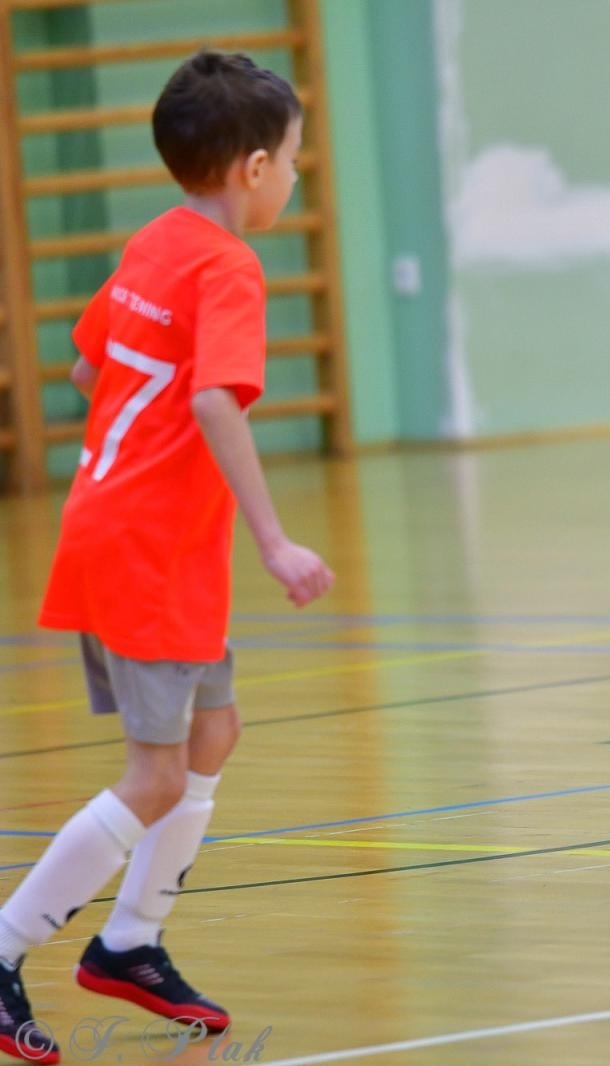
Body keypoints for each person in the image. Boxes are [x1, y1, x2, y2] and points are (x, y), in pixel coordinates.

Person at [0, 51, 334, 1065]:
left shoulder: (157, 240)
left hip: (139, 537)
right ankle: (7, 946)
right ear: (252, 166)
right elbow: (208, 397)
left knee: (212, 730)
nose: (294, 180)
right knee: (154, 773)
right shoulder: (229, 266)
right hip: (148, 548)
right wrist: (274, 537)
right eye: (293, 164)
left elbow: (86, 356)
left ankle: (131, 943)